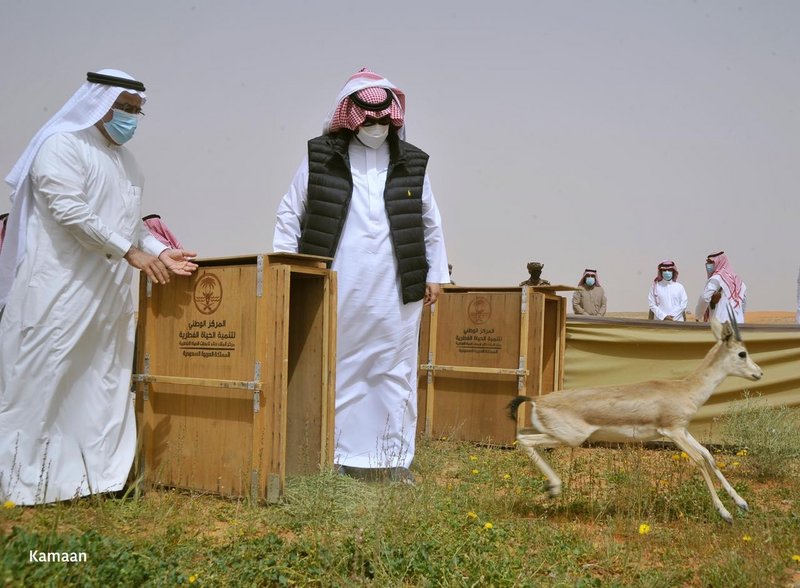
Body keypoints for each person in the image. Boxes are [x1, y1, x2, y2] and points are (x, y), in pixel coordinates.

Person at [0, 70, 198, 505]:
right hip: (58, 292)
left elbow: (129, 224)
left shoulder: (128, 164)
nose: (130, 117)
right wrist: (129, 252)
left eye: (136, 111)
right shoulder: (61, 146)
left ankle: (94, 483)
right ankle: (22, 489)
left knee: (101, 386)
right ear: (97, 103)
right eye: (123, 107)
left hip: (107, 299)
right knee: (42, 384)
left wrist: (159, 250)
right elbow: (69, 212)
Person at [272, 68, 449, 484]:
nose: (375, 128)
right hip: (337, 279)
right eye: (367, 121)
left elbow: (430, 223)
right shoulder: (321, 157)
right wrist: (288, 270)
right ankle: (333, 455)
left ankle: (393, 460)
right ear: (349, 117)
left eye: (383, 120)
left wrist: (435, 273)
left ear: (395, 119)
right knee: (337, 364)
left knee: (395, 369)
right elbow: (289, 214)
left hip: (397, 283)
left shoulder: (412, 163)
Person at [695, 251, 747, 323]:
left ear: (719, 262)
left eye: (711, 262)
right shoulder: (739, 281)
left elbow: (704, 298)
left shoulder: (717, 279)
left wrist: (698, 315)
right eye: (707, 262)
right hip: (739, 323)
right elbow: (743, 303)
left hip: (722, 324)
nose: (708, 265)